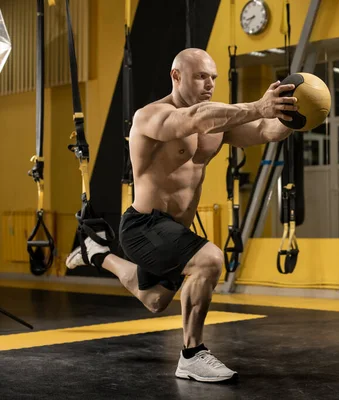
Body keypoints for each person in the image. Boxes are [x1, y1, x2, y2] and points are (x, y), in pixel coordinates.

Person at [65, 48, 298, 383]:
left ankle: (97, 254)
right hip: (143, 225)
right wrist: (255, 107)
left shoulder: (217, 125)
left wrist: (294, 115)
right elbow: (194, 118)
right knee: (209, 260)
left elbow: (265, 131)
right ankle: (192, 354)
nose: (209, 83)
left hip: (173, 230)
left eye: (213, 77)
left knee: (155, 299)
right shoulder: (151, 116)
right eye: (201, 76)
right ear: (176, 76)